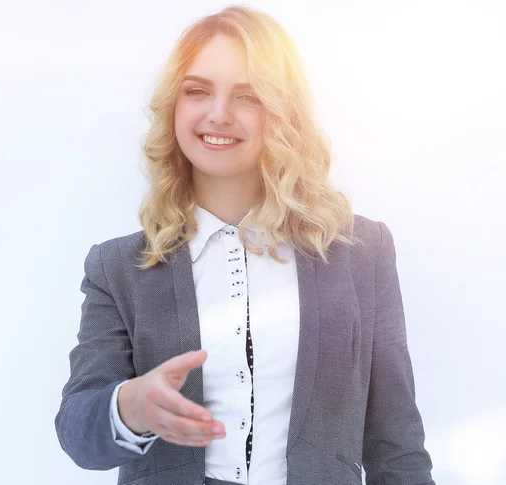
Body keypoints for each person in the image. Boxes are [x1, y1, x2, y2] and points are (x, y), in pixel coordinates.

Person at [55, 5, 436, 485]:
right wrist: (130, 405)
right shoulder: (118, 268)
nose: (218, 114)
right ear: (175, 106)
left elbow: (396, 446)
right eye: (197, 91)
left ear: (282, 112)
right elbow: (77, 432)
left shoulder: (362, 252)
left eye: (248, 95)